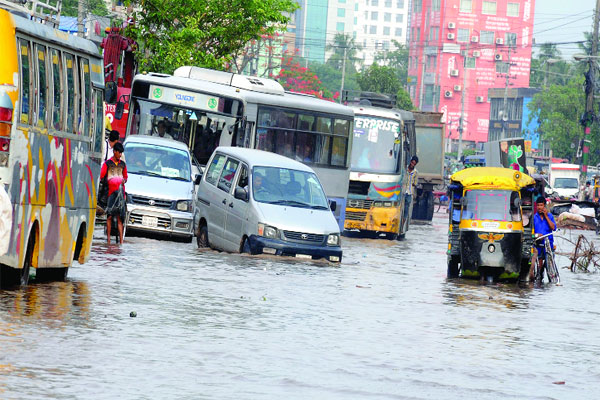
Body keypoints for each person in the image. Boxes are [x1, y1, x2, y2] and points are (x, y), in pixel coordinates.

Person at [100, 142, 128, 244]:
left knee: (120, 218)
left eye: (121, 153)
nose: (120, 155)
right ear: (114, 152)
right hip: (110, 193)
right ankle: (108, 240)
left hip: (120, 193)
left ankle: (121, 241)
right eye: (119, 152)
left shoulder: (123, 165)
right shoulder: (107, 164)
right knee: (110, 216)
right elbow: (102, 176)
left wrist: (124, 180)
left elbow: (126, 177)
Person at [531, 196, 556, 282]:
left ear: (544, 206)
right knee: (539, 266)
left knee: (549, 266)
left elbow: (553, 228)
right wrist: (536, 235)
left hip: (548, 245)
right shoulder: (534, 218)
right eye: (538, 205)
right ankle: (539, 276)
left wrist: (546, 216)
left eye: (541, 205)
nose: (539, 207)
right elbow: (531, 233)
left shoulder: (550, 216)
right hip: (538, 245)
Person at [403, 155, 419, 223]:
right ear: (410, 162)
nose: (412, 164)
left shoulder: (415, 172)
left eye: (414, 164)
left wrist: (412, 184)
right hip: (402, 191)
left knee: (406, 207)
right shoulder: (404, 168)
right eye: (412, 162)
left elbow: (415, 183)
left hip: (409, 192)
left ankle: (404, 220)